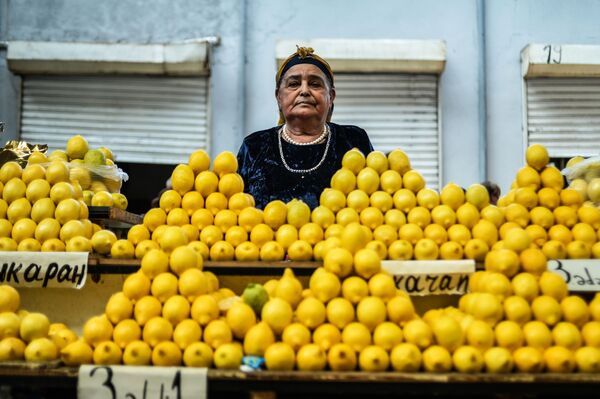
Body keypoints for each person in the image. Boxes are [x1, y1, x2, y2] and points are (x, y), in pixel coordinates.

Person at [237, 46, 373, 209]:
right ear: (279, 97)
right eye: (293, 84)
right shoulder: (255, 146)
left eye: (315, 84)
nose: (304, 91)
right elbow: (236, 208)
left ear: (331, 97)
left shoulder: (353, 140)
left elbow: (375, 198)